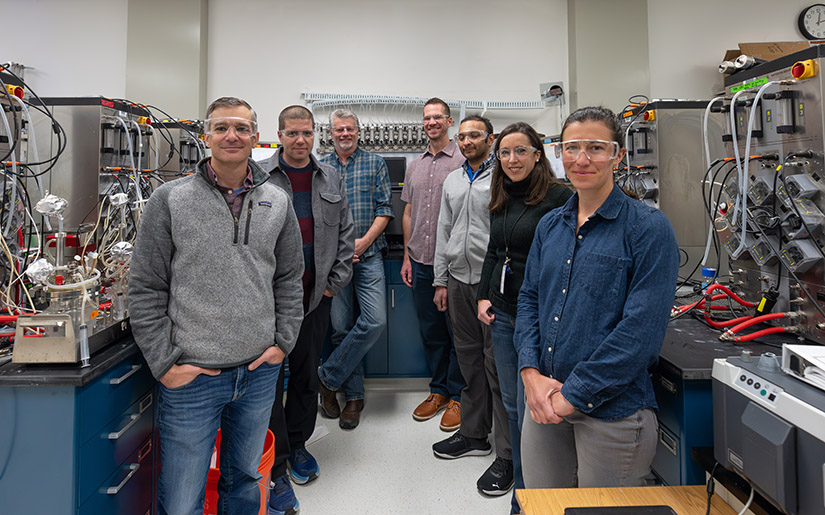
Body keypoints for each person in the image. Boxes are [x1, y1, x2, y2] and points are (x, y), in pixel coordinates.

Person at [129, 96, 305, 515]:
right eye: (222, 127)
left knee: (244, 483)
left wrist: (282, 343)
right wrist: (165, 362)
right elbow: (146, 286)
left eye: (242, 128)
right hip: (192, 376)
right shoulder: (170, 199)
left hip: (259, 371)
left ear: (255, 137)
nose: (232, 135)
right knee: (182, 495)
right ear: (206, 135)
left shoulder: (277, 199)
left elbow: (289, 278)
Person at [516, 106, 679, 489]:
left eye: (596, 148)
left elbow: (639, 336)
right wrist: (529, 374)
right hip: (544, 400)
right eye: (572, 147)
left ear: (618, 155)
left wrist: (570, 395)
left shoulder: (647, 229)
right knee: (543, 507)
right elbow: (528, 300)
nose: (582, 159)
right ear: (559, 153)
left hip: (612, 412)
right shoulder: (550, 225)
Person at [258, 105, 354, 515]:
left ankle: (297, 447)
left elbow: (345, 236)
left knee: (304, 377)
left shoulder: (330, 176)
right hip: (267, 304)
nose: (300, 141)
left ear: (316, 135)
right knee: (265, 385)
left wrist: (332, 288)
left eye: (307, 133)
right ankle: (274, 463)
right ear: (279, 134)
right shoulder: (257, 175)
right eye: (292, 133)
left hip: (314, 298)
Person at [476, 122, 573, 513]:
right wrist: (484, 295)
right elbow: (494, 251)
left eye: (521, 151)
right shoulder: (500, 194)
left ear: (538, 154)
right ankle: (524, 489)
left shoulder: (559, 198)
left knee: (540, 406)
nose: (512, 160)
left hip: (540, 319)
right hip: (502, 315)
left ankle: (543, 489)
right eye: (504, 153)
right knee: (514, 407)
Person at [430, 115, 514, 496]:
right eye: (462, 136)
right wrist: (440, 278)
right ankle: (474, 435)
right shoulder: (453, 178)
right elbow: (443, 229)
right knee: (469, 360)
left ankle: (509, 455)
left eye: (474, 135)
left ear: (490, 139)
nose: (466, 141)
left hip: (492, 284)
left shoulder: (504, 175)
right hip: (459, 281)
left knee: (498, 366)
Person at [318, 108, 393, 430]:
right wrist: (342, 250)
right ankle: (354, 397)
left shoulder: (375, 163)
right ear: (331, 133)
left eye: (349, 129)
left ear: (357, 131)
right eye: (339, 130)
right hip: (334, 262)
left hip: (370, 254)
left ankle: (327, 377)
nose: (344, 134)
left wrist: (361, 244)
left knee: (375, 321)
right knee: (339, 329)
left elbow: (385, 209)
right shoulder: (320, 166)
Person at [401, 97, 467, 431]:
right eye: (427, 118)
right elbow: (409, 212)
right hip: (421, 262)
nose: (431, 122)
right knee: (431, 332)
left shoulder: (462, 160)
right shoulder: (415, 165)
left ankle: (459, 396)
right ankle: (438, 390)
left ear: (449, 121)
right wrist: (406, 257)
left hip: (454, 265)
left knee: (458, 333)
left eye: (437, 117)